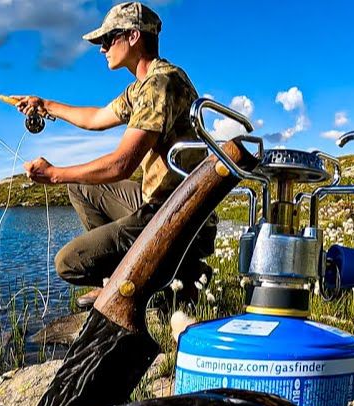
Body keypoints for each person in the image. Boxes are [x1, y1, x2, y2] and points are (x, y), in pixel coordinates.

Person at [15, 1, 214, 309]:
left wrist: (54, 175)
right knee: (79, 186)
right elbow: (95, 118)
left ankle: (164, 276)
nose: (102, 48)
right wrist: (44, 104)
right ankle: (142, 276)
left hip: (178, 215)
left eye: (108, 39)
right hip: (165, 205)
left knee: (69, 262)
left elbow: (122, 165)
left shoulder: (160, 84)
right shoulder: (142, 88)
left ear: (133, 36)